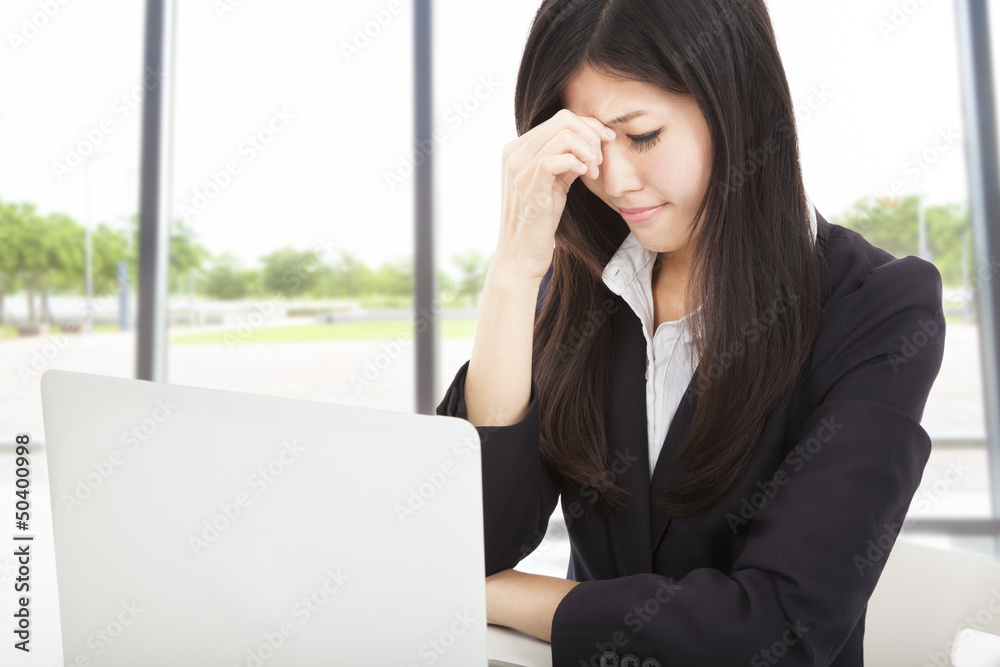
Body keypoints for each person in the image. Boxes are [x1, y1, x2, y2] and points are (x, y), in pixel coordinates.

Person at [435, 1, 946, 665]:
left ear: (743, 106)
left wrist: (506, 597)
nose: (612, 181)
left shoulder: (876, 306)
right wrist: (512, 274)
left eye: (642, 135)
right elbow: (468, 541)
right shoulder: (584, 285)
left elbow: (780, 628)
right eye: (588, 145)